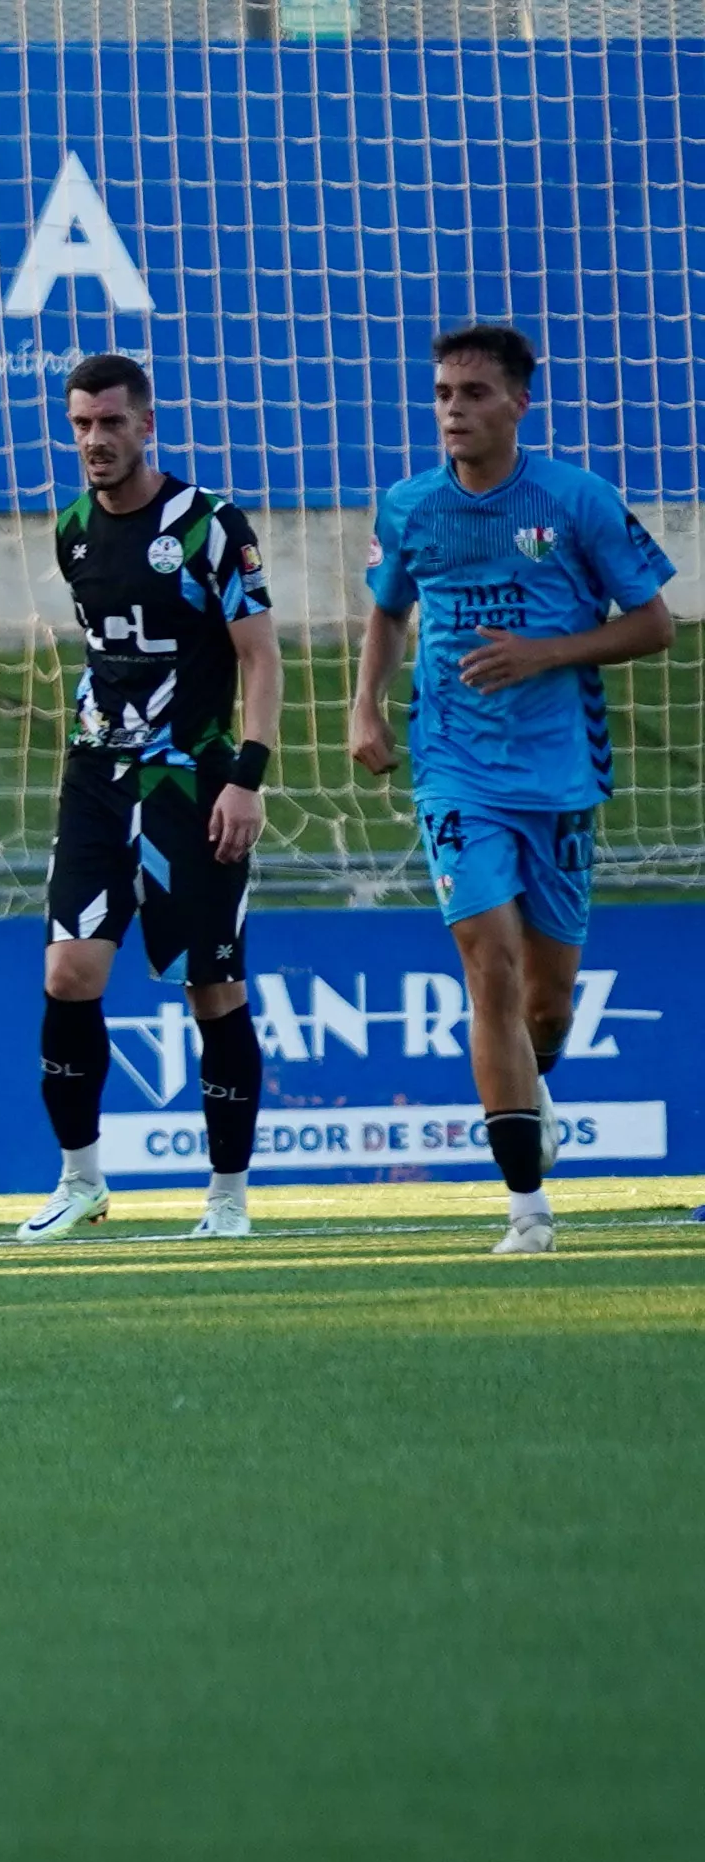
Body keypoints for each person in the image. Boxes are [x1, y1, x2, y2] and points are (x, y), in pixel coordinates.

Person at [347, 325, 679, 1257]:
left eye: (474, 394)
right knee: (484, 964)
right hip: (454, 765)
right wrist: (363, 708)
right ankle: (527, 1210)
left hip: (561, 772)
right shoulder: (410, 505)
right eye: (444, 393)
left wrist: (547, 652)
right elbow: (386, 610)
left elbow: (655, 625)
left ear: (519, 403)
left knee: (547, 1005)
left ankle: (535, 1086)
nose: (454, 410)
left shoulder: (576, 500)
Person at [15, 353, 282, 1244]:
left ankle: (228, 1198)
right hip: (96, 776)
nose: (96, 440)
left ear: (147, 424)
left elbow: (260, 658)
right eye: (83, 424)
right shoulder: (74, 531)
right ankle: (80, 1181)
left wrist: (247, 775)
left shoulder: (209, 526)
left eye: (112, 423)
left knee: (212, 987)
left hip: (194, 782)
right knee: (68, 972)